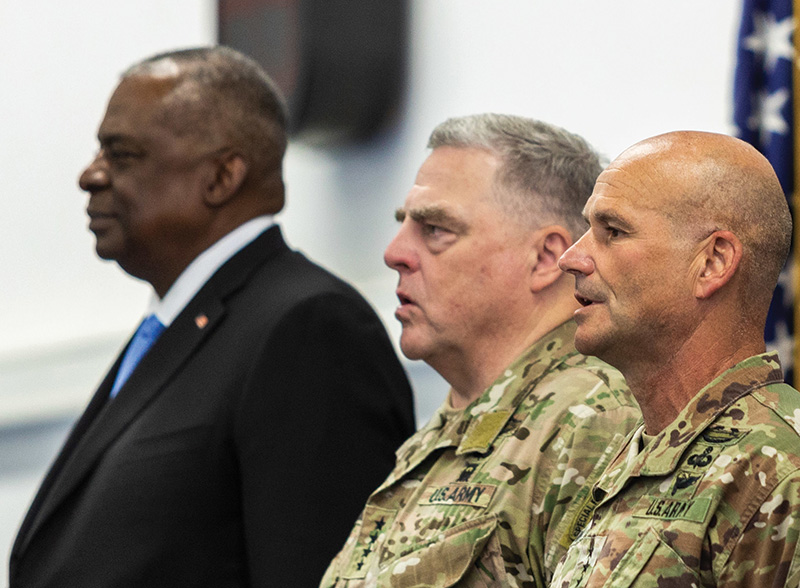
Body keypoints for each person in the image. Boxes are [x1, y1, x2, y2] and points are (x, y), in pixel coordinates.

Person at [9, 46, 416, 588]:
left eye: (122, 155)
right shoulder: (178, 326)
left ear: (222, 177)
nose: (91, 175)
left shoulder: (308, 328)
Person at [320, 114, 640, 588]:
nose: (394, 253)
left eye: (435, 229)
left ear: (547, 257)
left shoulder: (590, 420)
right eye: (404, 224)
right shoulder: (456, 422)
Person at [550, 131, 800, 587]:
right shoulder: (631, 456)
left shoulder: (781, 472)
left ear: (712, 263)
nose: (572, 258)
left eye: (613, 232)